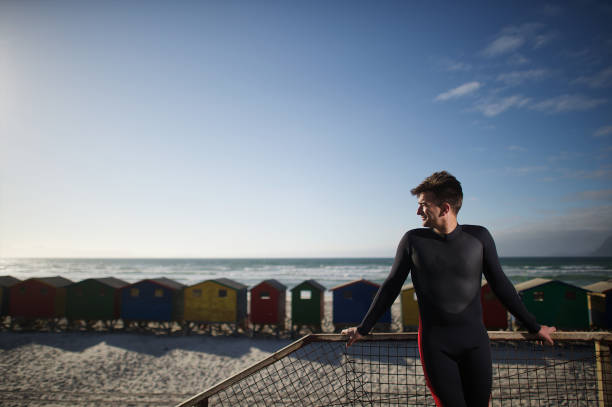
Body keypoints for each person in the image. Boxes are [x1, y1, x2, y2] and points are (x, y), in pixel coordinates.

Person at [341, 171, 556, 407]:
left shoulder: (480, 237)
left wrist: (534, 327)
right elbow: (391, 286)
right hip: (436, 346)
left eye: (423, 205)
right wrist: (363, 328)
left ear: (444, 208)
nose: (417, 211)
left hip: (476, 344)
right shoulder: (413, 241)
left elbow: (501, 285)